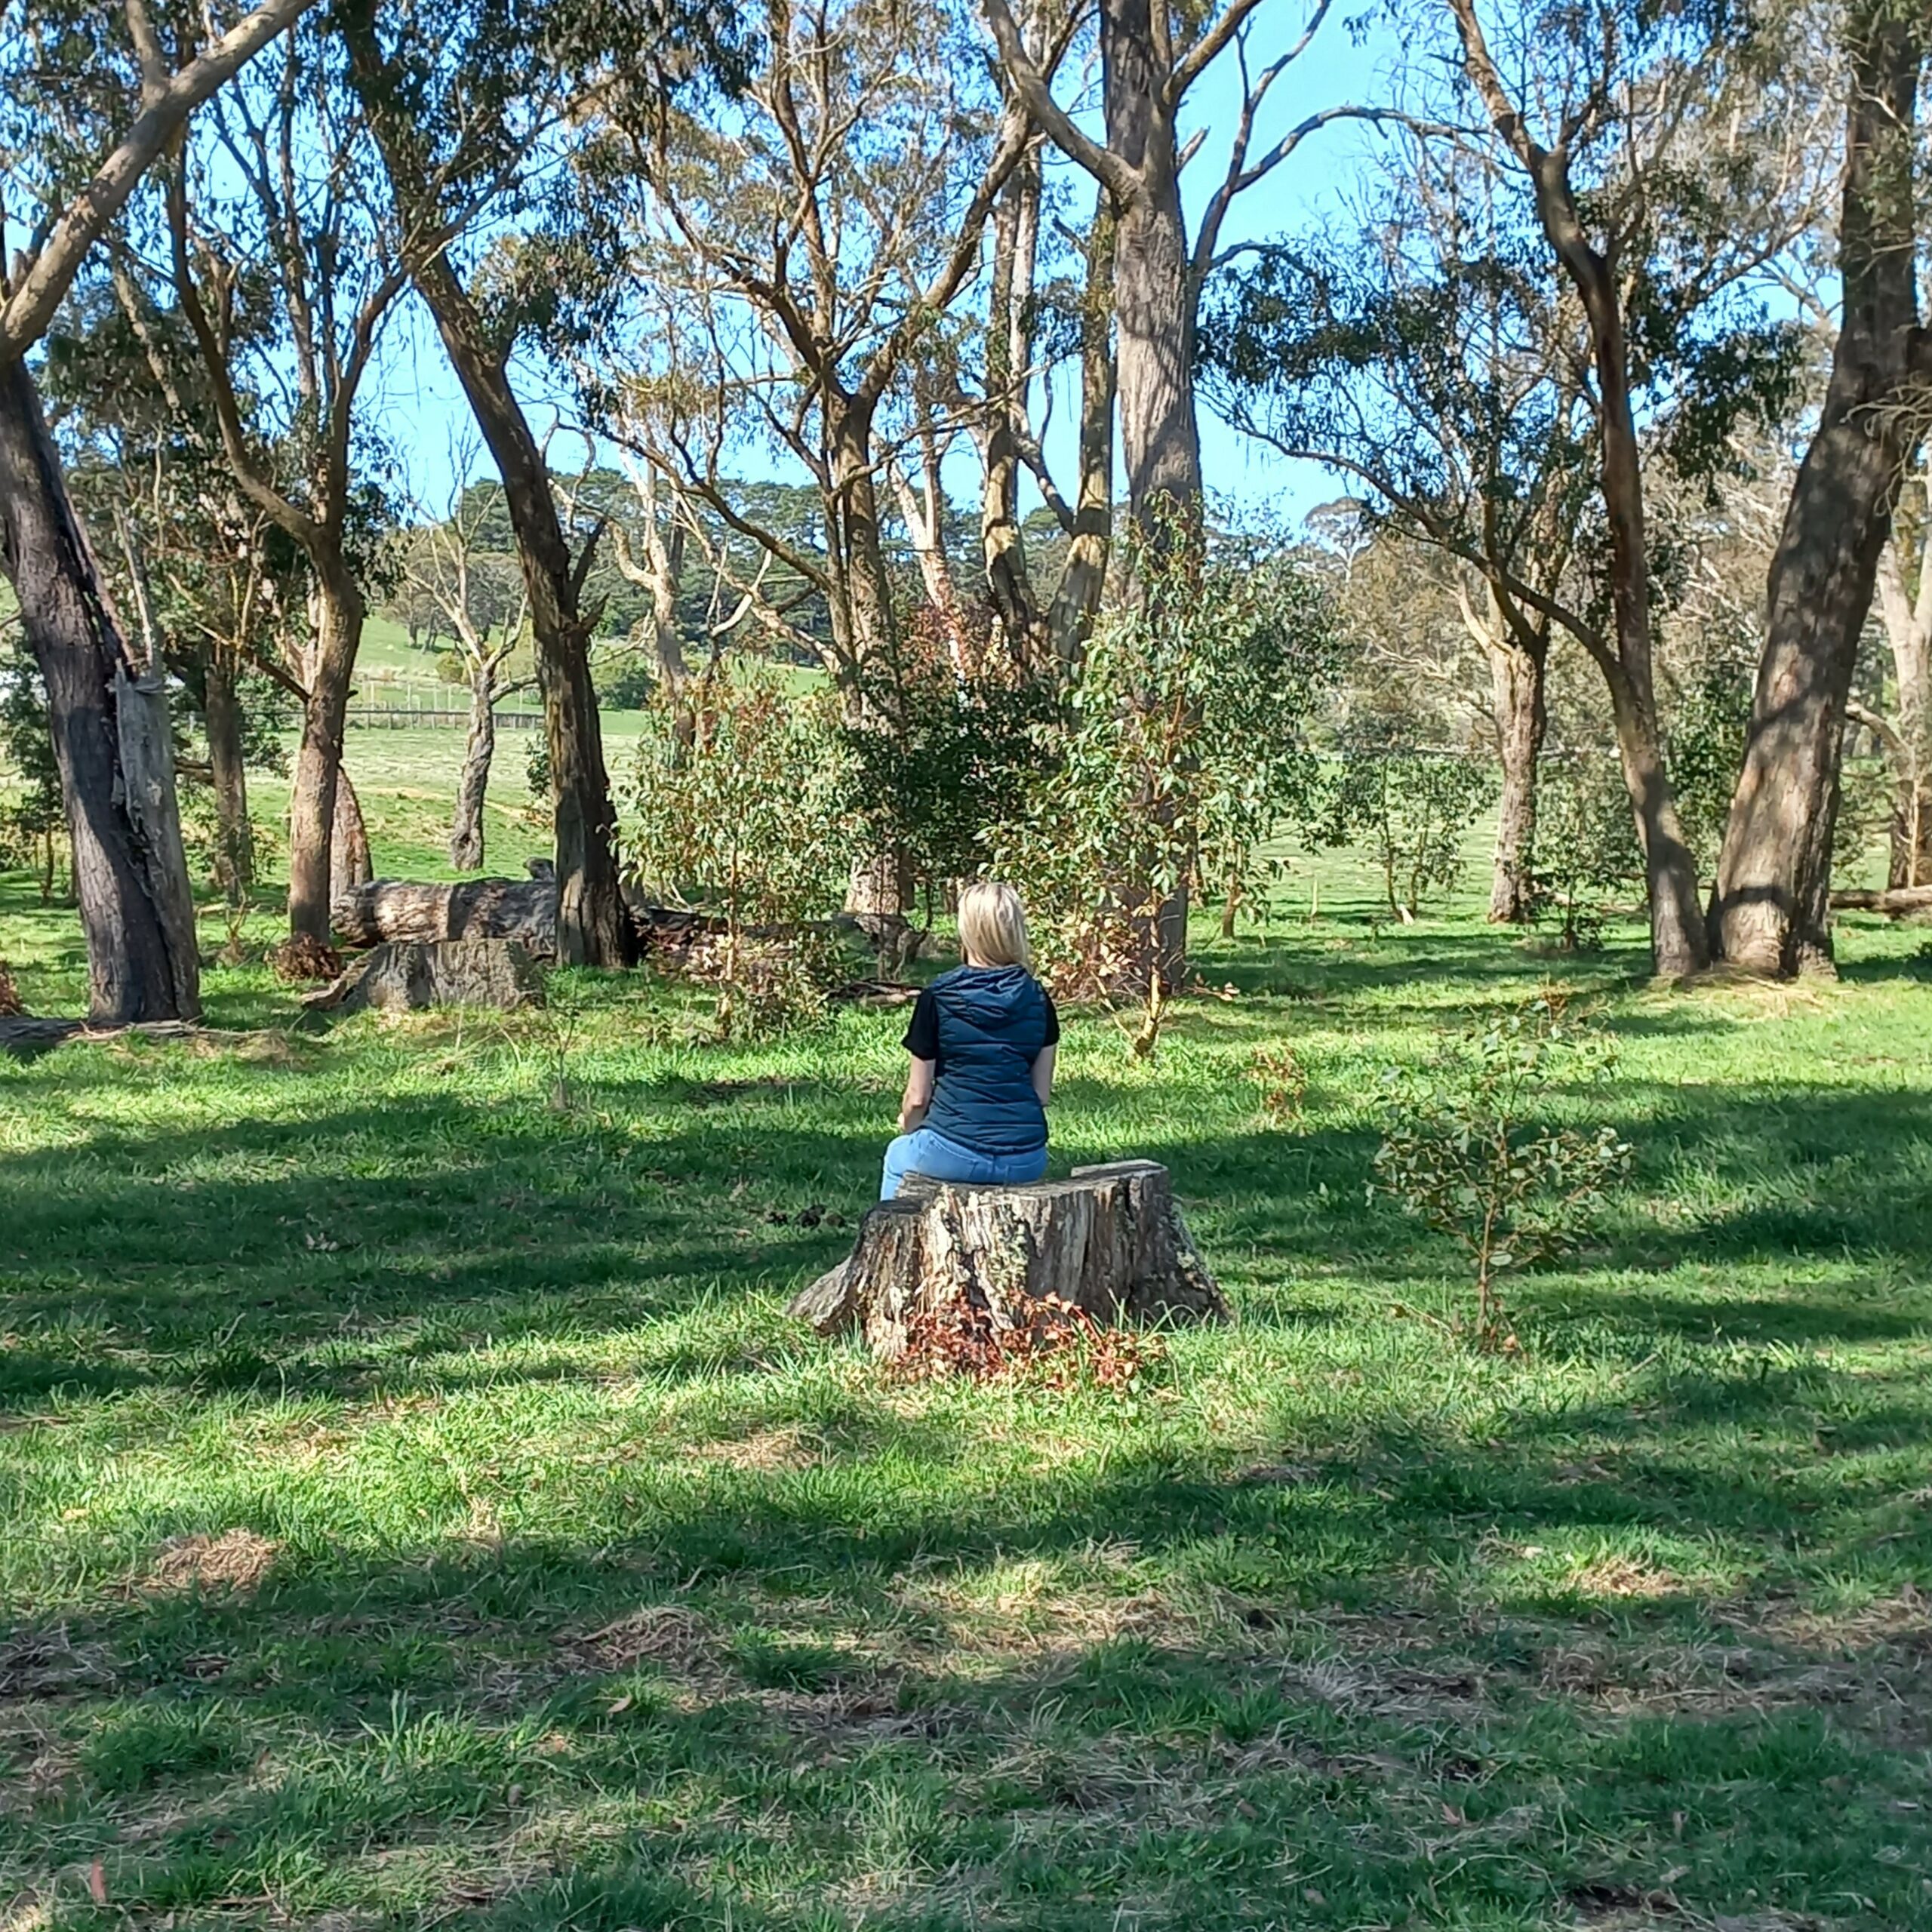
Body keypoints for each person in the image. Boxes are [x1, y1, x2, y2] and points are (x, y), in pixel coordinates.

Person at [881, 880, 1058, 1200]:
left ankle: (889, 1244)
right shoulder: (1039, 999)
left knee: (898, 1154)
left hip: (952, 1149)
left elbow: (917, 1097)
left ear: (967, 930)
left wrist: (910, 1127)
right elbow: (1041, 1094)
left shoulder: (938, 996)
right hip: (1026, 1158)